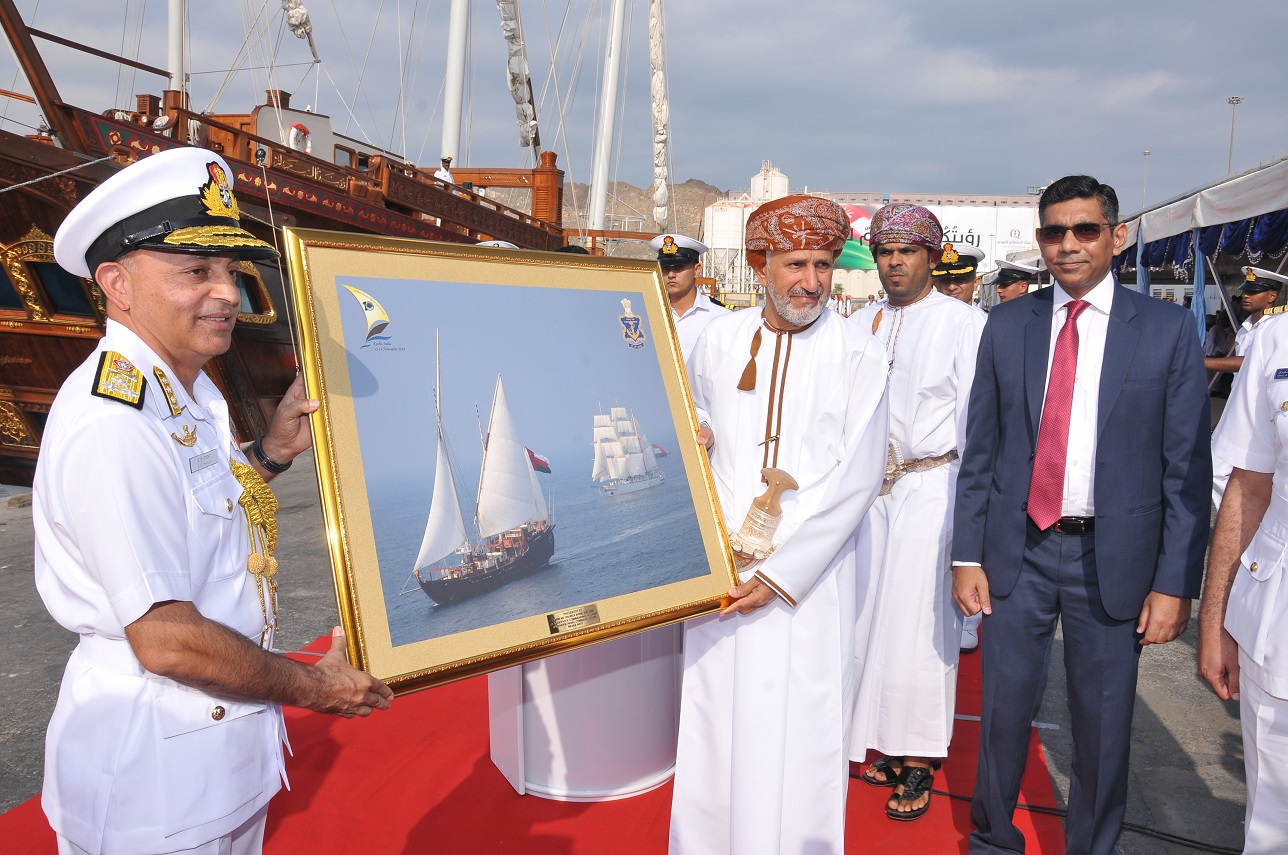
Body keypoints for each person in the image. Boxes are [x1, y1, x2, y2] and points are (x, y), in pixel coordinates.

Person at [36, 147, 393, 855]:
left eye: (230, 270)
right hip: (153, 783)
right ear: (117, 284)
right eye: (196, 271)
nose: (227, 293)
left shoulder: (187, 389)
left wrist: (269, 454)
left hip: (216, 756)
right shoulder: (117, 422)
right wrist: (318, 687)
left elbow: (198, 516)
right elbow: (165, 638)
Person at [951, 175, 1210, 855]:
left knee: (1102, 725)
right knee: (1002, 713)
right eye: (1054, 232)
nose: (1068, 245)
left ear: (1115, 236)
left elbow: (1185, 473)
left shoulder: (1164, 329)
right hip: (1019, 552)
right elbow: (982, 448)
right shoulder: (1008, 325)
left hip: (1113, 559)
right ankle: (992, 839)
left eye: (1084, 229)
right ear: (1040, 241)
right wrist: (966, 554)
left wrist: (1175, 582)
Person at [669, 195, 890, 854]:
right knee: (715, 722)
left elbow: (858, 481)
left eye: (823, 264)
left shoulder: (859, 353)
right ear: (759, 262)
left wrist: (782, 574)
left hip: (808, 586)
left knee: (801, 731)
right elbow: (690, 436)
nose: (812, 282)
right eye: (797, 263)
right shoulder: (717, 339)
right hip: (722, 572)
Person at [848, 204, 985, 820]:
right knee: (868, 618)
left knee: (922, 627)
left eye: (907, 250)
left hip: (934, 488)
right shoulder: (861, 321)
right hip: (868, 494)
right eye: (884, 251)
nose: (894, 261)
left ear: (932, 254)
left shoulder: (964, 323)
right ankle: (878, 737)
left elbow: (979, 427)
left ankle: (921, 760)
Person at [1199, 315, 1288, 854]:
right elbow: (1248, 487)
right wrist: (1216, 623)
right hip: (1278, 627)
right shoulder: (1277, 342)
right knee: (1273, 827)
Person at [1206, 267, 1288, 507]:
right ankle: (1243, 525)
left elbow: (1250, 364)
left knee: (1232, 467)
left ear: (1271, 296)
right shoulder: (1247, 327)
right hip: (1240, 405)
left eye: (1254, 291)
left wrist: (1202, 361)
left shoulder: (1277, 327)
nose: (1246, 296)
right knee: (1218, 466)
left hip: (1263, 407)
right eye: (1245, 291)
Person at [648, 232, 728, 360]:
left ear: (696, 270)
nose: (671, 274)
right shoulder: (649, 313)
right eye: (665, 268)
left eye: (679, 267)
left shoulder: (721, 317)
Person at [931, 242, 986, 313]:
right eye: (945, 280)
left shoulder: (986, 321)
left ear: (976, 282)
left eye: (959, 280)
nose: (952, 287)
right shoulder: (925, 319)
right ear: (935, 284)